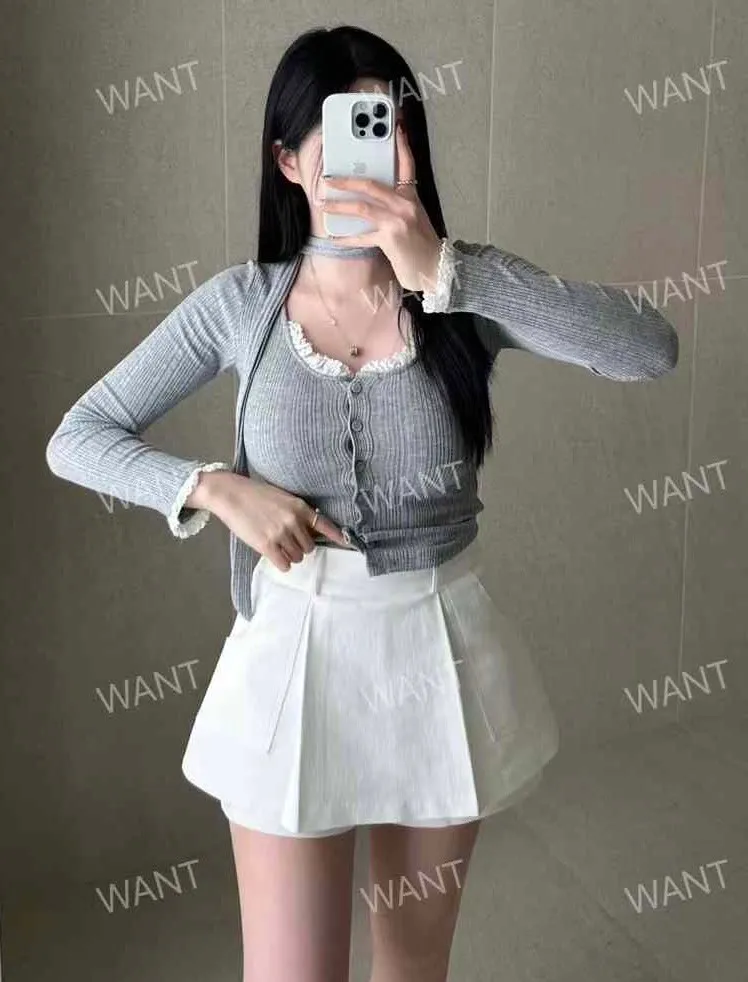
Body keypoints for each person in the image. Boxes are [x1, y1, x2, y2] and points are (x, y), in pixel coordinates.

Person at [45, 24, 679, 982]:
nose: (366, 155)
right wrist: (215, 490)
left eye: (386, 127)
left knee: (414, 971)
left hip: (438, 651)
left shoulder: (462, 292)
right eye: (341, 132)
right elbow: (78, 436)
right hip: (291, 657)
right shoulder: (242, 304)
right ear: (287, 160)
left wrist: (446, 270)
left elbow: (649, 348)